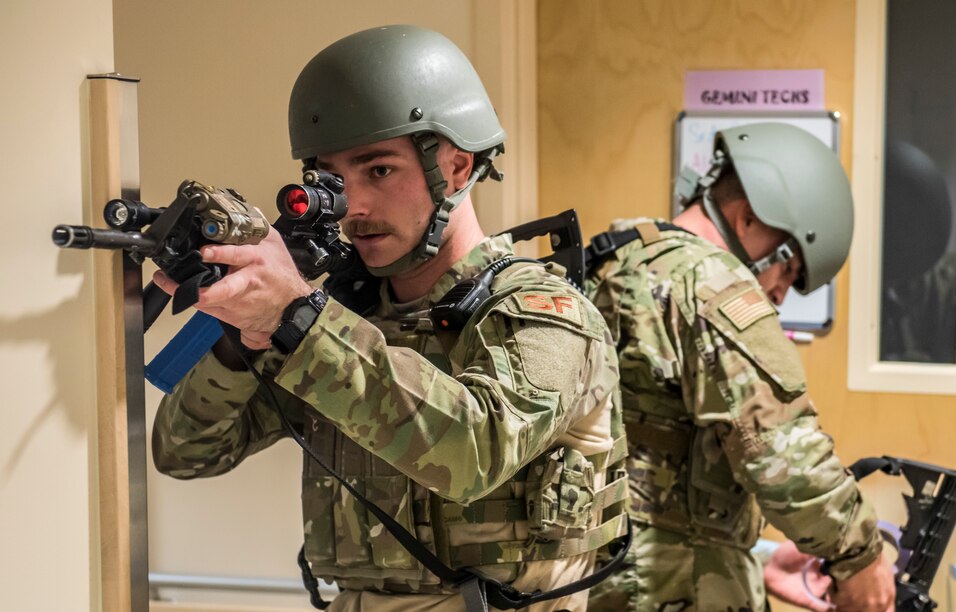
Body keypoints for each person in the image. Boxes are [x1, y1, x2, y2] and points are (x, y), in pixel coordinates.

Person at [150, 25, 627, 612]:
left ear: (455, 166)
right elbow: (186, 452)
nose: (357, 206)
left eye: (378, 170)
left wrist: (296, 316)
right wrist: (243, 334)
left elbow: (471, 453)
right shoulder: (344, 320)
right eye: (332, 180)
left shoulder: (541, 311)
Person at [584, 123, 895, 611]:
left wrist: (765, 556)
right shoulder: (713, 283)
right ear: (748, 217)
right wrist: (862, 557)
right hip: (670, 582)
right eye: (787, 267)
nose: (779, 293)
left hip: (607, 567)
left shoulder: (618, 258)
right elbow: (783, 455)